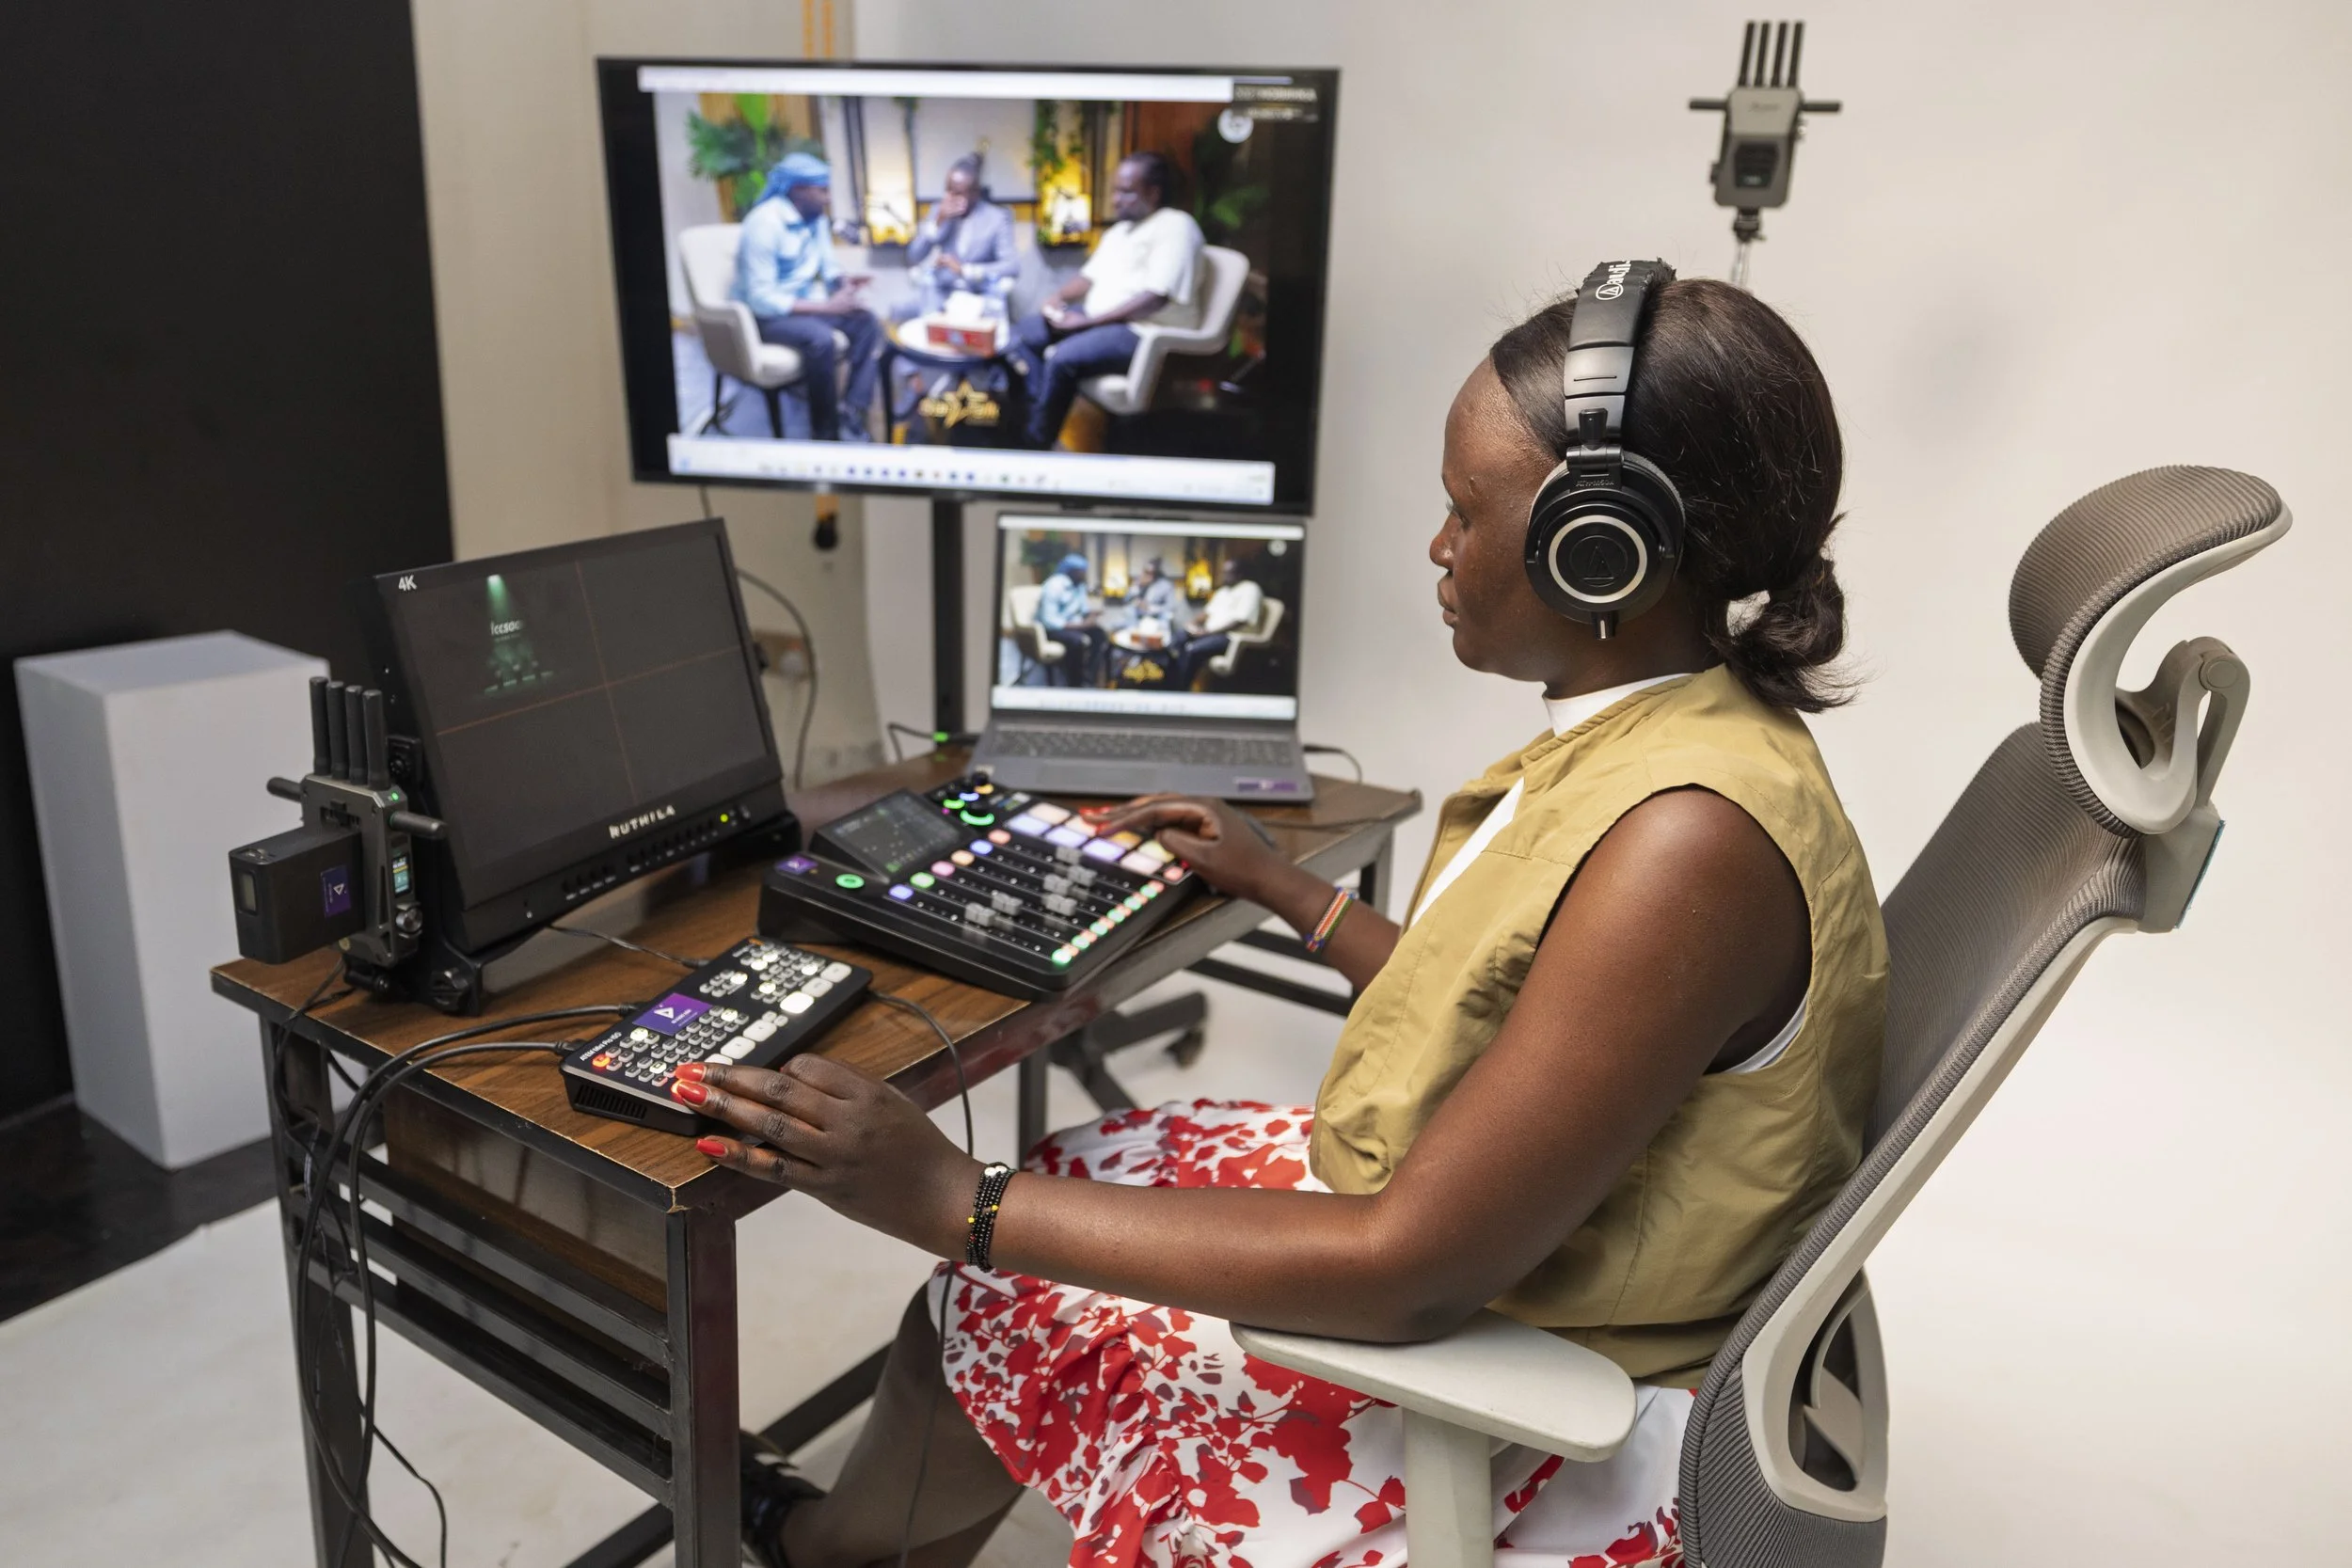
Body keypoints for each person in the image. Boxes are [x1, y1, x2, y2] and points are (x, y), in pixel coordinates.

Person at [681, 277, 1886, 1568]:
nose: (1436, 546)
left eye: (1465, 511)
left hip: (1557, 1393)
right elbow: (1520, 1019)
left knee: (991, 1277)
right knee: (1093, 1163)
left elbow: (1404, 1265)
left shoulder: (1684, 841)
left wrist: (948, 1192)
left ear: (1602, 551)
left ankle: (825, 1549)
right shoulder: (1667, 735)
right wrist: (1289, 886)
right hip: (1528, 1257)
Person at [1008, 150, 1205, 449]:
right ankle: (1037, 420)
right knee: (1022, 335)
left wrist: (1086, 323)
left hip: (1144, 330)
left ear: (1153, 193)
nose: (1115, 200)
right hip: (1100, 319)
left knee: (1064, 358)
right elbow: (1087, 279)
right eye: (1115, 191)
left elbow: (1154, 299)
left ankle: (1035, 443)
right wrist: (1056, 298)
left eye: (1125, 192)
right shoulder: (1120, 231)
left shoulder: (1175, 226)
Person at [731, 151, 882, 441]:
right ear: (798, 190)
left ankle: (853, 407)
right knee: (820, 340)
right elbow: (761, 298)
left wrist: (843, 282)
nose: (828, 198)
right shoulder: (763, 224)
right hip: (763, 316)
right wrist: (827, 307)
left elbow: (827, 265)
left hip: (803, 305)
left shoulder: (815, 219)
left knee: (867, 322)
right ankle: (825, 433)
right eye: (822, 191)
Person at [902, 153, 1020, 317]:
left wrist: (965, 270)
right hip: (942, 293)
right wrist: (937, 222)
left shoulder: (997, 218)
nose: (950, 197)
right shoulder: (939, 210)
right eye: (948, 190)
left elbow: (1011, 266)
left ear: (975, 193)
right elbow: (913, 256)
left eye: (957, 193)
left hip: (979, 296)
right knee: (911, 317)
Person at [1167, 556, 1265, 688]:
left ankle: (1182, 687)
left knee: (1193, 649)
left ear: (1239, 574)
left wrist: (1208, 633)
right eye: (1223, 573)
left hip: (1231, 636)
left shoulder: (1250, 589)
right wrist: (1193, 624)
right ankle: (1169, 681)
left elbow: (1240, 621)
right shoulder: (1223, 591)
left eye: (1228, 573)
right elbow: (1207, 613)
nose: (1224, 576)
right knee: (1179, 637)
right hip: (1210, 632)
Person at [1033, 552, 1106, 686]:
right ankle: (1074, 682)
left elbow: (1083, 609)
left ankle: (1089, 675)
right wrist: (1083, 626)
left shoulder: (1079, 585)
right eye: (1081, 572)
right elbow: (1050, 621)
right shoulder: (1054, 586)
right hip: (1053, 629)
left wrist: (1092, 616)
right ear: (1071, 571)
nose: (1084, 575)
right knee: (1076, 642)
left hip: (1074, 625)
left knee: (1099, 634)